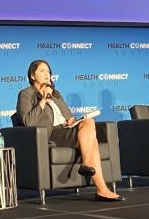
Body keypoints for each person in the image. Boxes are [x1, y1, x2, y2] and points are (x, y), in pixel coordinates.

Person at [16, 59, 124, 201]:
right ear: (32, 76)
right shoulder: (26, 94)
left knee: (89, 122)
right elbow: (27, 121)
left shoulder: (56, 93)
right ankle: (101, 188)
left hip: (66, 129)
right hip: (51, 134)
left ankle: (92, 174)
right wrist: (43, 99)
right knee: (93, 142)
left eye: (48, 71)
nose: (46, 74)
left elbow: (68, 116)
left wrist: (73, 121)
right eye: (42, 71)